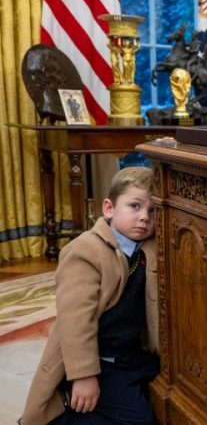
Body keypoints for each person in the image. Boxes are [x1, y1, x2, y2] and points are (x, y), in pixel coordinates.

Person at [20, 167, 159, 425]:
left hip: (130, 354)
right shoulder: (85, 251)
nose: (144, 218)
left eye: (152, 211)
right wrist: (83, 375)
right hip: (99, 359)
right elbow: (75, 320)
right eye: (135, 206)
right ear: (109, 208)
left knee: (156, 395)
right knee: (139, 420)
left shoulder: (147, 248)